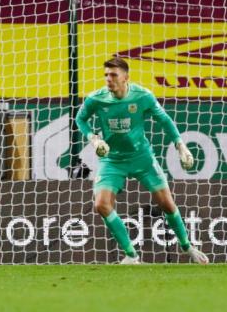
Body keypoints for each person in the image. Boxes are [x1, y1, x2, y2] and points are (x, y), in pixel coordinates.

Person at [76, 57, 209, 264]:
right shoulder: (96, 99)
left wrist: (180, 145)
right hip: (112, 160)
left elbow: (164, 119)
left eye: (113, 75)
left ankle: (186, 247)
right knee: (101, 204)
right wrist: (93, 138)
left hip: (142, 158)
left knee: (166, 203)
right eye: (106, 75)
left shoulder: (142, 96)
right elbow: (80, 119)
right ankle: (131, 255)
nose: (108, 79)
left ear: (126, 77)